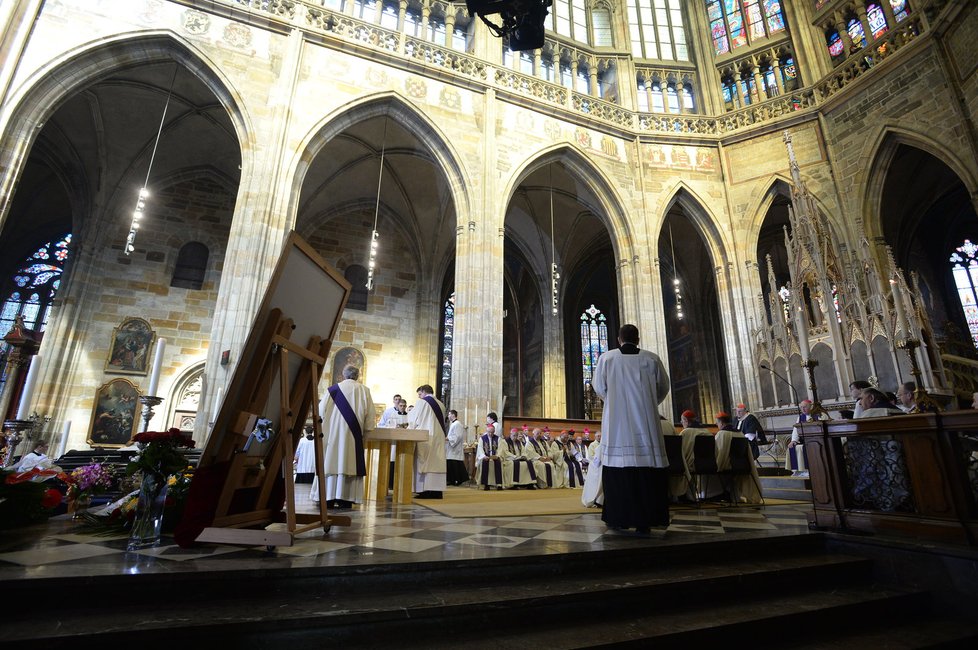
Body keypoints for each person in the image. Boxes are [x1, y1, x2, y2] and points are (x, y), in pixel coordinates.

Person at [592, 323, 671, 534]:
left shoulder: (606, 359)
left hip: (617, 426)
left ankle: (619, 519)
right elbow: (663, 388)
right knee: (647, 476)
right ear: (638, 339)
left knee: (618, 473)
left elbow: (599, 388)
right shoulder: (652, 358)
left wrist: (613, 401)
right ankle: (646, 521)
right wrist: (647, 402)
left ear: (619, 339)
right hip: (646, 428)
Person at [311, 365, 375, 509]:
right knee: (349, 463)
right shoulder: (364, 390)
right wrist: (367, 429)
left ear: (343, 375)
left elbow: (320, 411)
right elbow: (370, 415)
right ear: (357, 376)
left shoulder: (333, 390)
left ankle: (327, 497)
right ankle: (346, 498)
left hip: (332, 434)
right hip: (354, 435)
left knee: (331, 461)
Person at [408, 384, 448, 499]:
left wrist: (408, 428)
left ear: (424, 392)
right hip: (438, 437)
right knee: (436, 462)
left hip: (426, 436)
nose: (419, 397)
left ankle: (425, 490)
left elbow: (413, 419)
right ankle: (437, 491)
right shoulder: (441, 404)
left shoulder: (422, 402)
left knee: (425, 462)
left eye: (420, 394)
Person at [786, 400, 823, 475]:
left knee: (805, 447)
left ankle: (808, 470)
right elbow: (796, 430)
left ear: (811, 406)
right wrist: (793, 440)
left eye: (805, 407)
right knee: (792, 447)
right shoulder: (800, 417)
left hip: (816, 440)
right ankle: (798, 470)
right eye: (801, 407)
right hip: (804, 440)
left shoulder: (818, 415)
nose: (803, 409)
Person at [475, 423, 503, 490]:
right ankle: (486, 484)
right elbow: (480, 449)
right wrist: (484, 456)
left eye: (492, 432)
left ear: (494, 431)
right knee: (485, 462)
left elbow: (500, 449)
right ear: (486, 431)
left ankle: (498, 484)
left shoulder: (498, 438)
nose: (490, 434)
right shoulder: (482, 439)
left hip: (495, 457)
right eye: (489, 432)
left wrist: (497, 456)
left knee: (498, 462)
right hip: (485, 457)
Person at [444, 409, 468, 486]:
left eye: (449, 414)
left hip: (455, 448)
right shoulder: (454, 424)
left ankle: (457, 480)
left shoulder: (457, 424)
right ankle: (453, 480)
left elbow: (458, 436)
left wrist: (449, 439)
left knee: (455, 464)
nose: (448, 416)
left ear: (453, 415)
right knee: (452, 464)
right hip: (451, 448)